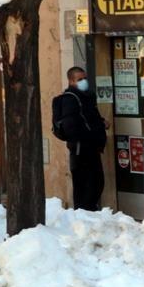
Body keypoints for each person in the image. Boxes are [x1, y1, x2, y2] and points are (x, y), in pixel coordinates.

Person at [54, 67, 108, 211]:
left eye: (85, 78)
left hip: (91, 148)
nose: (84, 81)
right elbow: (72, 126)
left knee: (97, 182)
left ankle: (89, 212)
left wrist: (101, 124)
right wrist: (91, 133)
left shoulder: (86, 97)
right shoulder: (70, 99)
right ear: (71, 81)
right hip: (80, 149)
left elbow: (89, 117)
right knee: (85, 185)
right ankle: (84, 215)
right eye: (80, 79)